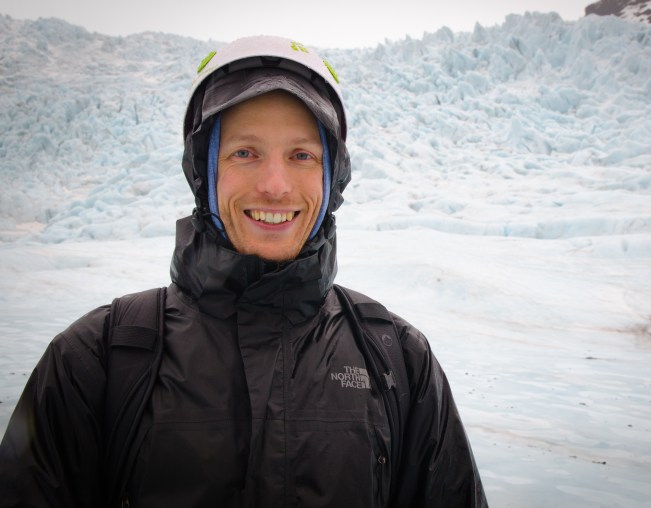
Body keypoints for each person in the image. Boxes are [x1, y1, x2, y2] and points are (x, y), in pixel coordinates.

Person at [0, 35, 487, 507]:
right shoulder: (97, 361)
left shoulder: (399, 361)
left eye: (301, 155)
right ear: (204, 173)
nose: (275, 186)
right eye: (244, 153)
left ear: (332, 177)